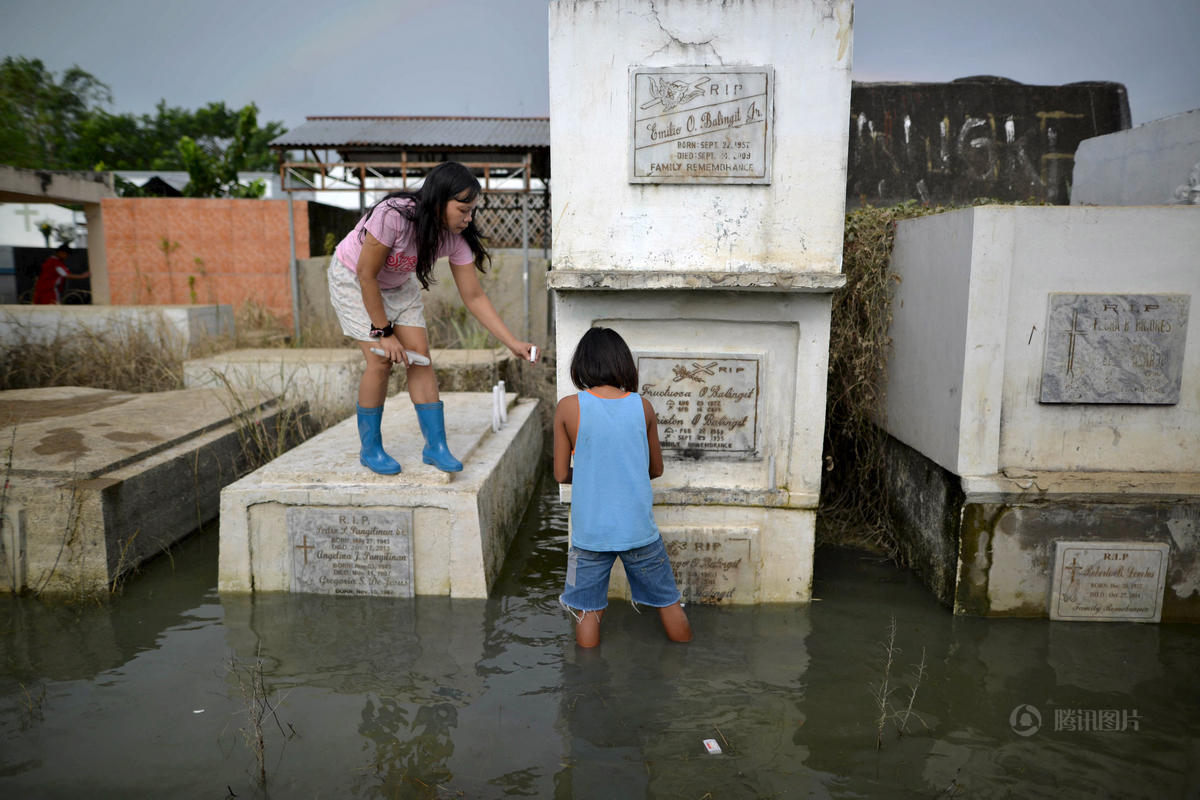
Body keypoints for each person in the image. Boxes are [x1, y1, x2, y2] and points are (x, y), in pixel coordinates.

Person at [328, 161, 537, 475]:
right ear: (439, 200)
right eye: (463, 210)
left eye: (472, 211)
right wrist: (384, 332)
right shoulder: (393, 216)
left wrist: (512, 342)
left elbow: (474, 296)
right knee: (381, 361)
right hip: (354, 279)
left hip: (397, 284)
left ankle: (435, 447)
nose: (469, 219)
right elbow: (366, 274)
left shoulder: (455, 237)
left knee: (420, 357)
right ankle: (370, 448)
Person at [553, 327, 692, 648]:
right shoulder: (642, 407)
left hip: (590, 534)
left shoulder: (568, 407)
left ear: (581, 365)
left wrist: (590, 473)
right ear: (622, 364)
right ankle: (687, 664)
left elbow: (561, 474)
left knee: (587, 611)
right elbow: (655, 469)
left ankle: (585, 685)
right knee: (668, 601)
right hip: (638, 530)